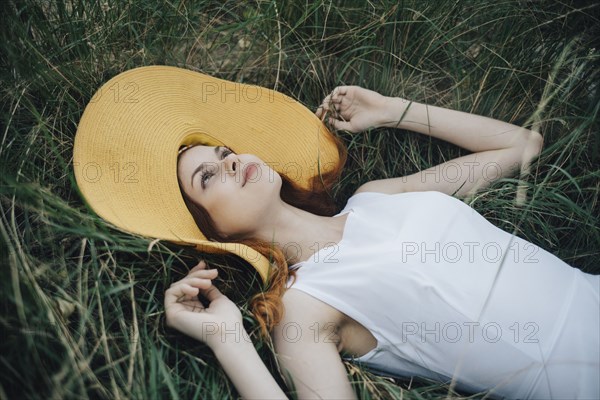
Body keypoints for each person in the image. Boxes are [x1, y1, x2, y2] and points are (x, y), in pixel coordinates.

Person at [73, 66, 599, 399]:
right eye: (207, 176)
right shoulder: (303, 309)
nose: (231, 163)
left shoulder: (377, 197)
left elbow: (521, 147)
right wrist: (226, 338)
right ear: (207, 229)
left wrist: (395, 111)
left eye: (227, 153)